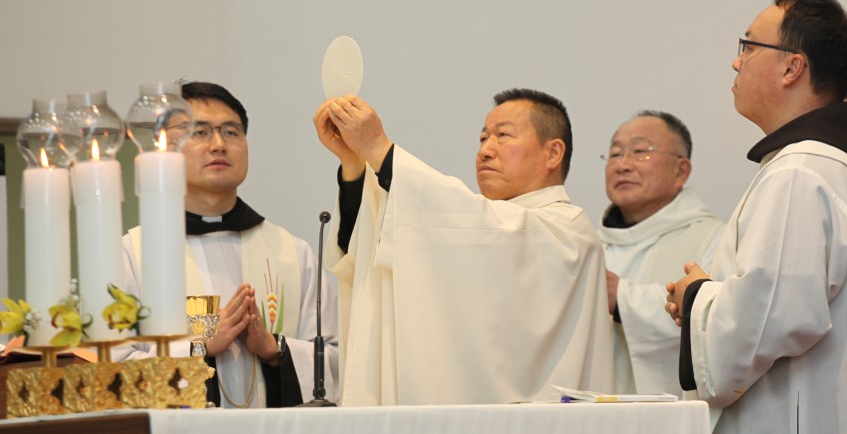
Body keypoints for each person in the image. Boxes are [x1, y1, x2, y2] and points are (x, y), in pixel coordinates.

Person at [665, 0, 847, 434]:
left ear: (792, 68)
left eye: (748, 46)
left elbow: (760, 324)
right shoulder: (832, 168)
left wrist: (695, 294)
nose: (736, 61)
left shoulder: (800, 172)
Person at [313, 88, 612, 405]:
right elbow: (375, 252)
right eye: (483, 138)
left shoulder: (569, 230)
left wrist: (378, 149)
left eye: (503, 135)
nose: (485, 151)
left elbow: (497, 232)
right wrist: (354, 166)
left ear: (553, 153)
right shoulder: (472, 229)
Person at [121, 81, 339, 408]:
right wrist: (199, 346)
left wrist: (274, 348)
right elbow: (112, 368)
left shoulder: (292, 253)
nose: (219, 144)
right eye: (199, 132)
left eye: (231, 132)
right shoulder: (134, 253)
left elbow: (336, 362)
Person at [600, 111, 721, 397]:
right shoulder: (590, 245)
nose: (622, 165)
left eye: (640, 151)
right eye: (615, 154)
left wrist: (622, 298)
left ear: (681, 171)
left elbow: (716, 324)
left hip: (675, 414)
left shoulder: (714, 239)